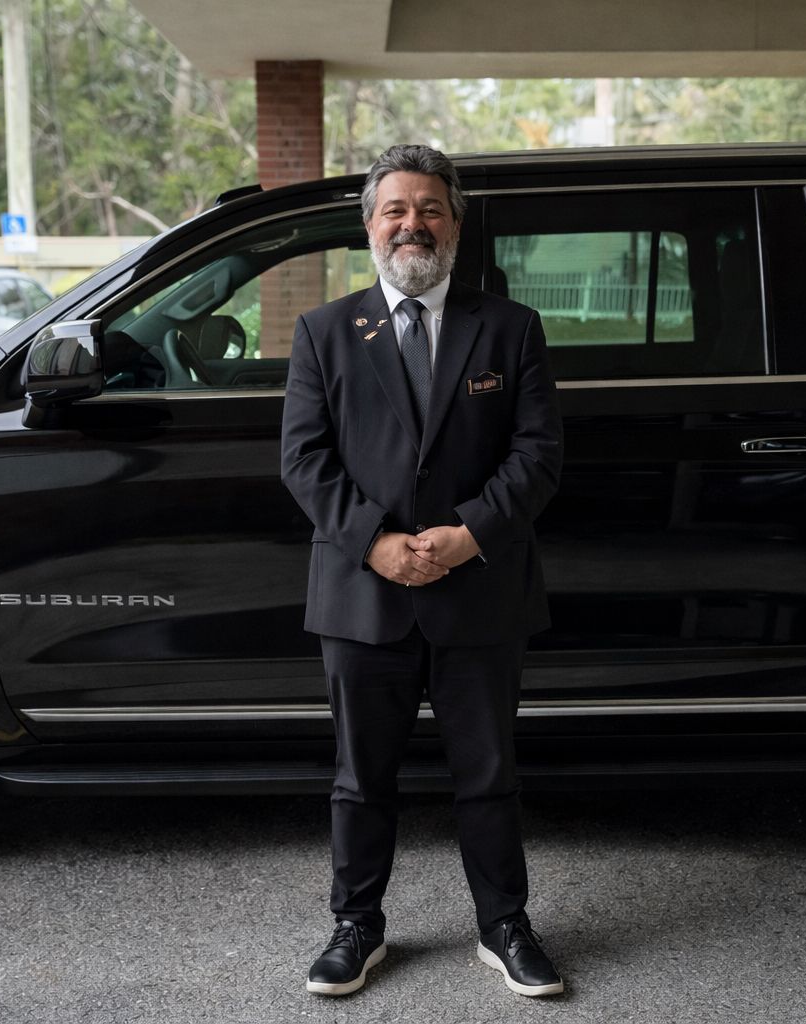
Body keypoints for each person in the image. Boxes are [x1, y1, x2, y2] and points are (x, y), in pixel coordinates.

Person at [280, 144, 565, 998]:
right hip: (361, 594)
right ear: (369, 226)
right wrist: (375, 542)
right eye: (395, 209)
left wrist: (467, 535)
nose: (414, 223)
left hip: (480, 588)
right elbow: (304, 460)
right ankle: (355, 926)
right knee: (360, 778)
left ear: (456, 222)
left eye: (430, 208)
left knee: (489, 772)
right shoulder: (324, 331)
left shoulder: (509, 328)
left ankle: (504, 924)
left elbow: (539, 454)